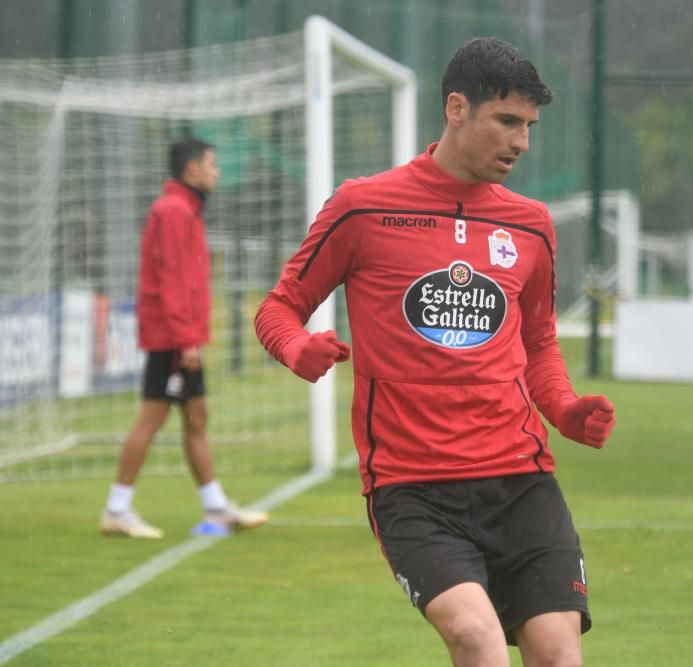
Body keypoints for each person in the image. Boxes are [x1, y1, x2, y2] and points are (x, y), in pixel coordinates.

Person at [255, 38, 616, 666]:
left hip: (521, 480)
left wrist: (563, 408)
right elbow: (278, 307)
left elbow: (538, 343)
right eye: (507, 121)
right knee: (476, 638)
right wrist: (295, 346)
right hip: (412, 486)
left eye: (529, 126)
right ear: (456, 108)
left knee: (558, 653)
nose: (521, 143)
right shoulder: (362, 207)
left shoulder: (532, 224)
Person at [100, 137, 268, 539]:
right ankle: (116, 509)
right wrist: (185, 339)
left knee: (196, 417)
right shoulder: (173, 210)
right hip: (171, 339)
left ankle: (216, 505)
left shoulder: (184, 209)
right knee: (153, 416)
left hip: (179, 336)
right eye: (212, 164)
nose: (217, 171)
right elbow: (173, 281)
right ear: (192, 169)